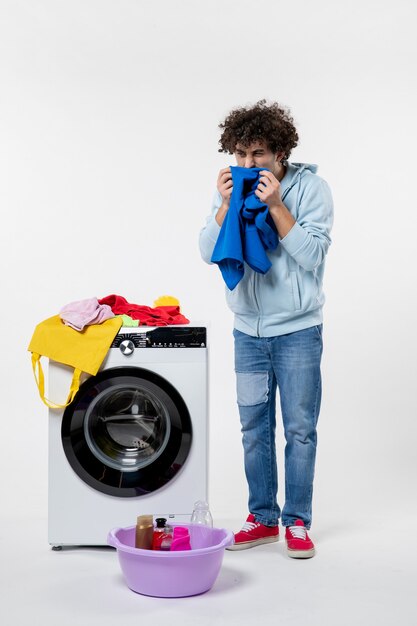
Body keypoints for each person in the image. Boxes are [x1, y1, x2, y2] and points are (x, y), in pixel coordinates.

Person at [199, 100, 333, 558]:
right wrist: (223, 206)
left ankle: (297, 521)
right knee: (254, 429)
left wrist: (275, 205)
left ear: (280, 151)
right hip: (248, 333)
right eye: (240, 154)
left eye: (257, 153)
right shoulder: (232, 193)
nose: (248, 164)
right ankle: (262, 517)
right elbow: (206, 249)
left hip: (298, 332)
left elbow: (312, 254)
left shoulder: (311, 189)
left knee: (299, 429)